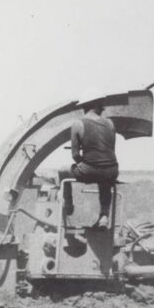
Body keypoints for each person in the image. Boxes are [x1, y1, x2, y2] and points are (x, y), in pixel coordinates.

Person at [58, 98, 118, 229]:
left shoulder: (78, 124)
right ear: (96, 106)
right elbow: (110, 150)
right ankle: (104, 216)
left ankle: (68, 204)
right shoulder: (110, 123)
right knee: (105, 178)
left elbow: (75, 155)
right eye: (101, 107)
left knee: (62, 171)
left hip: (91, 169)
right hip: (112, 170)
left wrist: (83, 163)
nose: (102, 110)